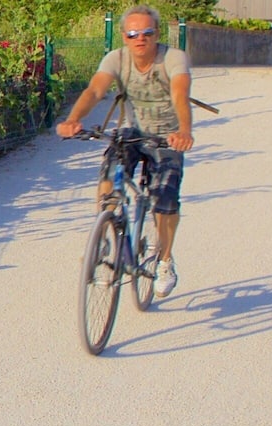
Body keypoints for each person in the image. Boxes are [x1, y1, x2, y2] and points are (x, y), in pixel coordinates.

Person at [56, 4, 193, 298]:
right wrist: (73, 119)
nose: (140, 38)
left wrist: (184, 131)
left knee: (165, 199)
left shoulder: (173, 58)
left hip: (168, 136)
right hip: (134, 131)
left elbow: (181, 93)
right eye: (133, 33)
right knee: (109, 167)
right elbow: (94, 91)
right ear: (124, 36)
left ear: (157, 34)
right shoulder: (116, 59)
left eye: (147, 32)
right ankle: (103, 234)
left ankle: (165, 261)